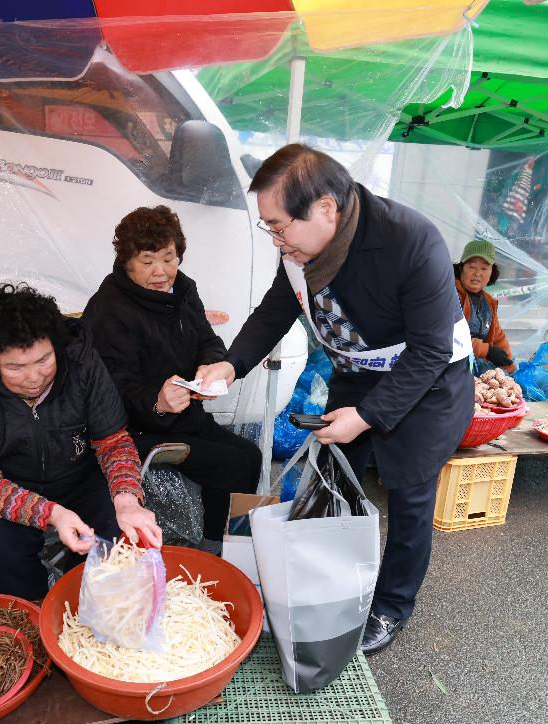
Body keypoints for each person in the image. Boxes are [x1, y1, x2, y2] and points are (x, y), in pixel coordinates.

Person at [197, 144, 474, 656]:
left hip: (428, 378)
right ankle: (330, 583)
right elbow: (276, 308)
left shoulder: (410, 240)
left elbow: (432, 349)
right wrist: (232, 365)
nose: (275, 238)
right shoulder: (299, 248)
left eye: (279, 225)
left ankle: (391, 605)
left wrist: (367, 416)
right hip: (358, 370)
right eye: (268, 226)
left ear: (326, 208)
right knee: (334, 472)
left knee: (409, 491)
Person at [0, 283, 162, 601]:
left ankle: (87, 603)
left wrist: (127, 499)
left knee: (119, 532)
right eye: (15, 367)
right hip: (10, 484)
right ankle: (32, 609)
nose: (33, 377)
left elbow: (113, 442)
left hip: (80, 477)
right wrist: (51, 513)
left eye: (44, 360)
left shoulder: (82, 363)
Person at [84, 206, 262, 554]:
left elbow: (208, 340)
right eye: (147, 261)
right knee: (232, 464)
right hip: (138, 430)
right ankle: (215, 551)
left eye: (168, 258)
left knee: (250, 455)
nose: (161, 271)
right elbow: (112, 389)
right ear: (127, 262)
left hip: (186, 416)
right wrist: (157, 402)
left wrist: (210, 367)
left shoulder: (182, 289)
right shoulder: (110, 309)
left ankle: (231, 547)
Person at [454, 239, 515, 373]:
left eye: (484, 268)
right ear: (461, 268)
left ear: (491, 272)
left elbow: (498, 338)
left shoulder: (488, 302)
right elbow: (444, 334)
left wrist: (511, 369)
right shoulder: (449, 294)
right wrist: (485, 350)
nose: (477, 273)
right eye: (472, 266)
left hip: (474, 368)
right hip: (448, 367)